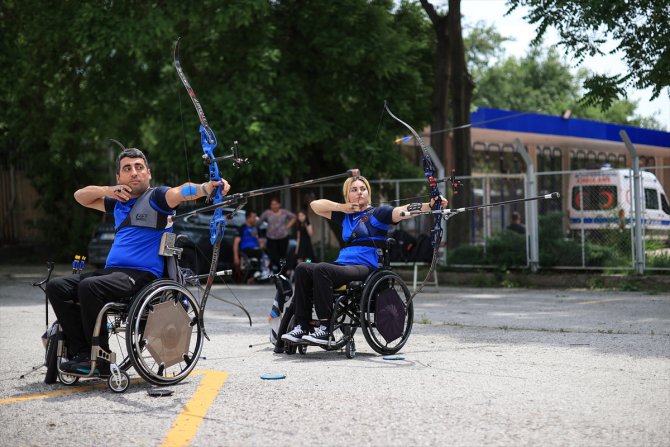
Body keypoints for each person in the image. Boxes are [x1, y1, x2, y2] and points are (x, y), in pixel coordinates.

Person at [46, 147, 230, 376]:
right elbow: (79, 197)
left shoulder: (158, 198)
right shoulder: (117, 203)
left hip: (141, 277)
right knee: (56, 287)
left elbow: (182, 192)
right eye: (127, 168)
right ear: (119, 178)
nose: (134, 172)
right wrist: (108, 191)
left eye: (139, 167)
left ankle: (99, 357)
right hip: (112, 273)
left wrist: (207, 187)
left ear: (148, 173)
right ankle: (82, 352)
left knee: (89, 287)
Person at [281, 175, 446, 346]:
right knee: (302, 268)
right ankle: (302, 325)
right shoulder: (344, 216)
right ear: (348, 195)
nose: (359, 192)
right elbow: (315, 206)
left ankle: (325, 328)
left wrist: (429, 205)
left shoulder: (378, 213)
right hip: (342, 266)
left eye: (363, 189)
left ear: (368, 192)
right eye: (354, 190)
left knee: (321, 269)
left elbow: (402, 211)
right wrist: (342, 207)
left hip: (364, 267)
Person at [259, 197, 296, 272]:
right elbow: (259, 222)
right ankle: (279, 269)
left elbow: (294, 217)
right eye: (272, 204)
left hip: (283, 237)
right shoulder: (267, 213)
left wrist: (287, 226)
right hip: (271, 238)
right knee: (273, 255)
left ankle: (282, 272)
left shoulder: (284, 212)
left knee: (283, 256)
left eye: (275, 204)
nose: (274, 206)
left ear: (279, 204)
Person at [233, 211, 267, 281]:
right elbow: (236, 243)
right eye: (254, 217)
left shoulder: (257, 229)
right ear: (248, 218)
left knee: (265, 251)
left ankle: (264, 273)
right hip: (246, 250)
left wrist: (261, 244)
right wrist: (236, 257)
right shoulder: (242, 228)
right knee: (257, 252)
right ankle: (257, 272)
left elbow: (261, 241)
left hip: (256, 249)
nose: (255, 219)